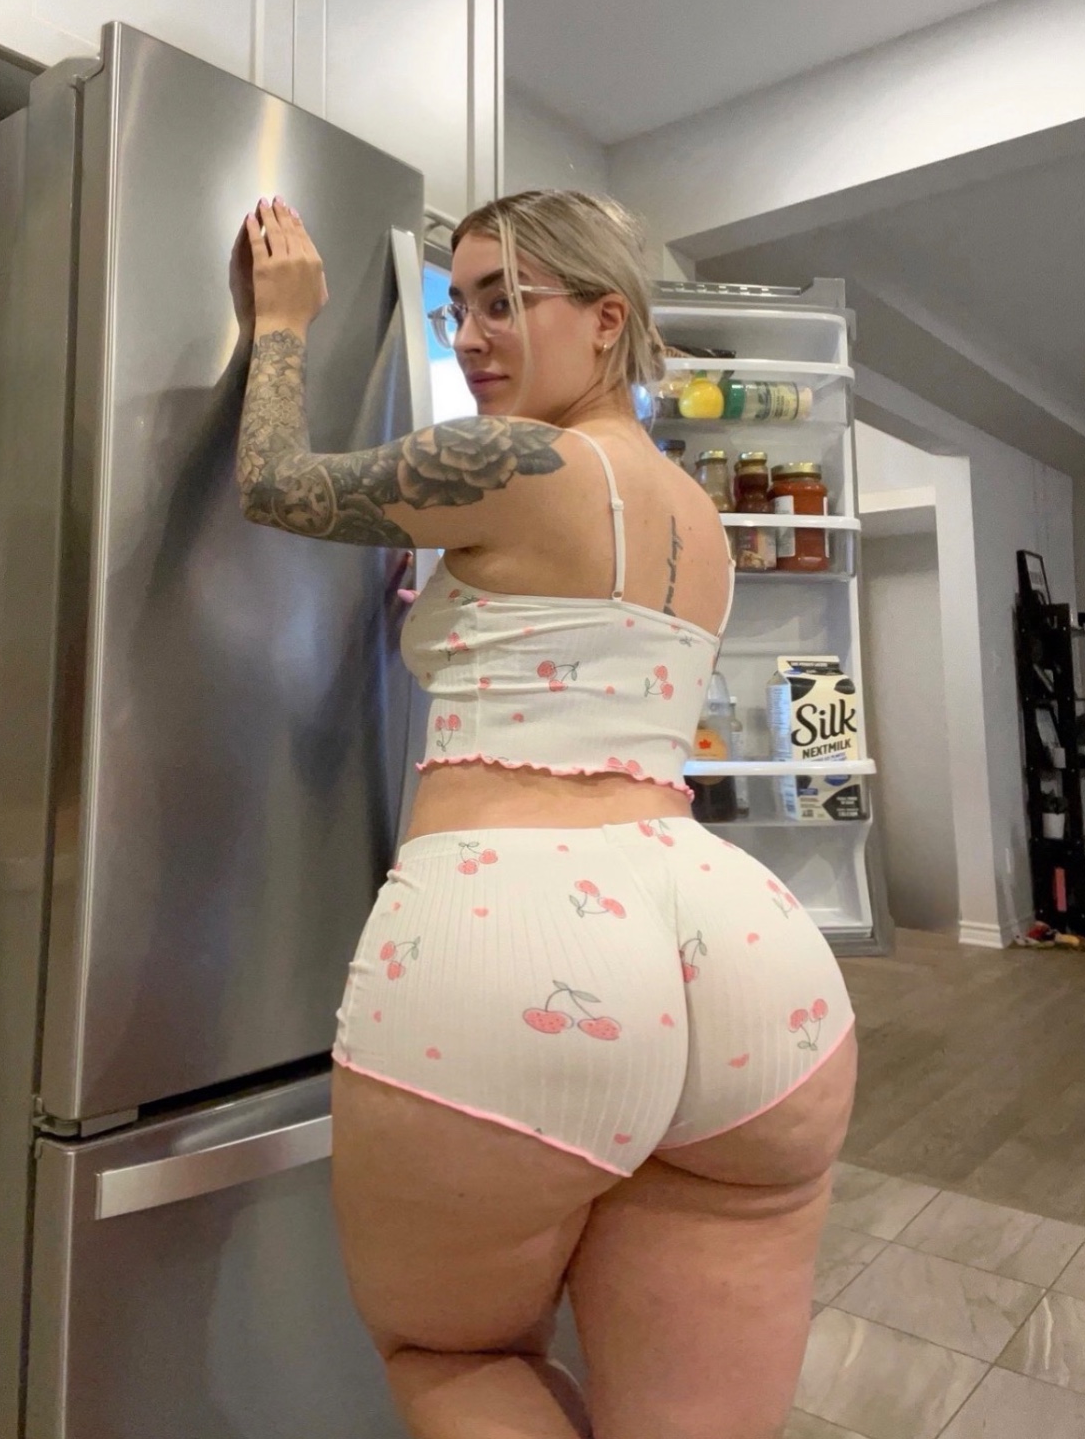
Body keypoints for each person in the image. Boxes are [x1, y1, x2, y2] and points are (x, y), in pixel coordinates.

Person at [231, 190, 857, 1439]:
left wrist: (284, 321)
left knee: (451, 1353)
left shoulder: (514, 463)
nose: (469, 335)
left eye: (504, 301)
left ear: (606, 318)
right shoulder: (696, 515)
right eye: (456, 306)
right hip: (741, 954)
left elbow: (275, 484)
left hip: (520, 936)